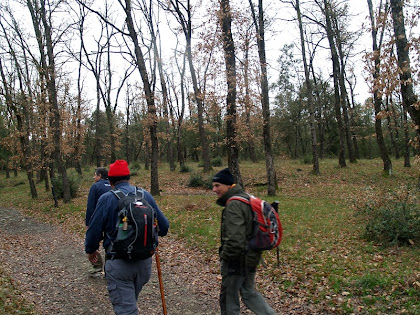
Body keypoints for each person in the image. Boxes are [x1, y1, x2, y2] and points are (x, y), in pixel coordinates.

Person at [85, 160, 169, 314]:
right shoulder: (145, 195)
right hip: (144, 264)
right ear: (129, 178)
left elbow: (94, 229)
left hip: (119, 264)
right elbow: (164, 227)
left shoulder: (107, 198)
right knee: (129, 303)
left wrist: (91, 250)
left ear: (110, 181)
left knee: (126, 310)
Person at [212, 168, 276, 315]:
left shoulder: (234, 204)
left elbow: (235, 239)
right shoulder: (245, 198)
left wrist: (225, 258)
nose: (214, 189)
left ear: (228, 186)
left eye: (217, 185)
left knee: (229, 298)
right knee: (248, 292)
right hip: (251, 256)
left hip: (237, 261)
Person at [85, 167, 111, 276]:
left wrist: (88, 223)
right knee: (110, 242)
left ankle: (97, 264)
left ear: (100, 176)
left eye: (95, 175)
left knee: (95, 240)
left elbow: (90, 206)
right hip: (112, 219)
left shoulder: (95, 187)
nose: (94, 177)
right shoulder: (114, 185)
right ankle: (109, 268)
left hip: (98, 219)